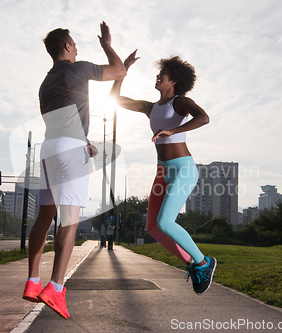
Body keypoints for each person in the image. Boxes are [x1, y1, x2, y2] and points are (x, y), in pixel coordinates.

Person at [22, 22, 126, 319]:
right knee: (69, 218)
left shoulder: (45, 83)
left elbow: (59, 120)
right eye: (75, 44)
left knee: (45, 214)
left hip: (49, 148)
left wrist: (85, 142)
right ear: (67, 46)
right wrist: (107, 45)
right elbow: (119, 71)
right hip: (70, 150)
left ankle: (32, 281)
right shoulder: (79, 68)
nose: (78, 48)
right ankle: (55, 287)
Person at [110, 50, 217, 295]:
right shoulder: (151, 108)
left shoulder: (179, 102)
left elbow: (204, 118)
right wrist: (122, 71)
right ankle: (193, 264)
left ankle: (204, 262)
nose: (157, 78)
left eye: (162, 75)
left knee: (166, 222)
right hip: (162, 172)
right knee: (153, 227)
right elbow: (114, 98)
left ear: (174, 80)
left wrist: (173, 131)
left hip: (183, 169)